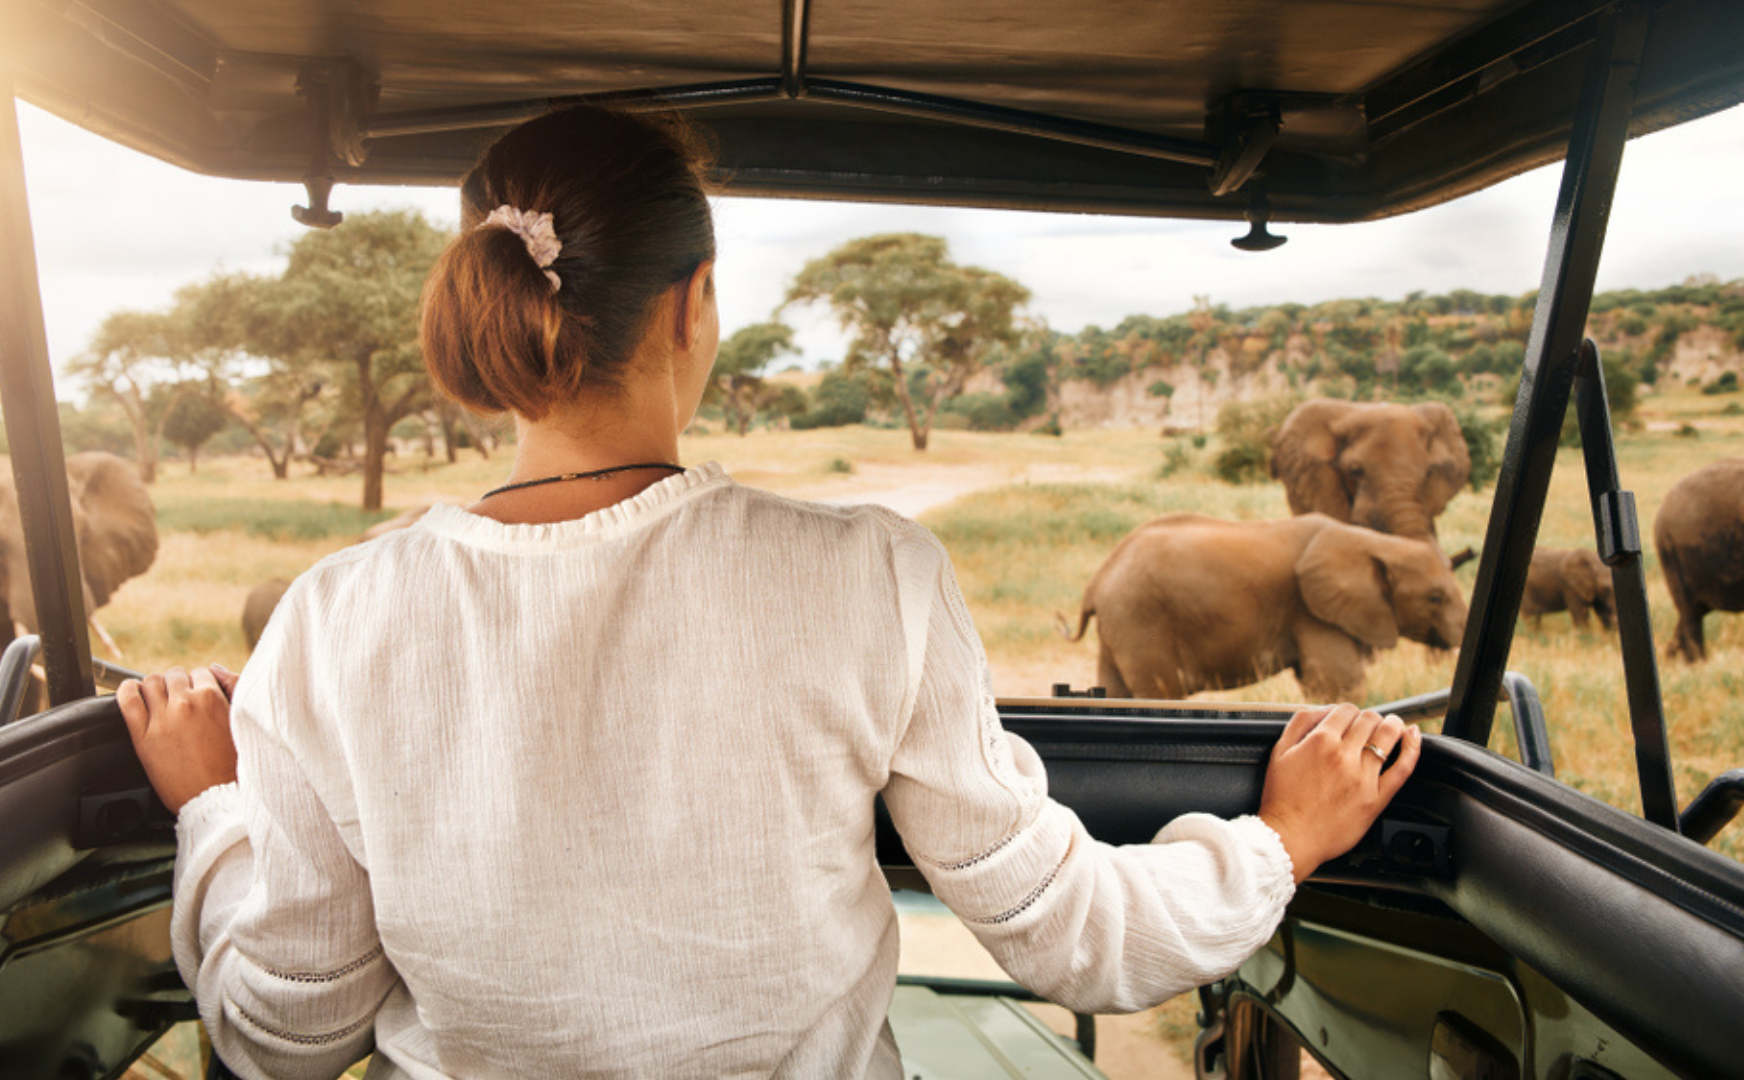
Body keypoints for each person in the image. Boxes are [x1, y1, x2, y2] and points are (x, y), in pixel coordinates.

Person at [118, 106, 1420, 1080]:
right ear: (695, 307)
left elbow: (283, 1032)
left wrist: (215, 811)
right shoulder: (866, 576)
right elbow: (1073, 938)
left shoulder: (333, 621)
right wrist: (1279, 842)